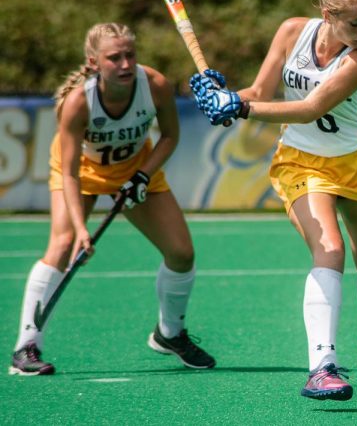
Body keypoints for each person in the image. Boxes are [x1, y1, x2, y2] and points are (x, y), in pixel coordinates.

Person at [189, 0, 357, 401]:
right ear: (327, 14)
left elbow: (309, 107)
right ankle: (322, 367)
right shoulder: (291, 33)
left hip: (356, 164)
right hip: (301, 162)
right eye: (355, 22)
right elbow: (260, 89)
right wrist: (222, 98)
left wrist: (239, 110)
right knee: (330, 249)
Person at [9, 23, 216, 376]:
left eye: (130, 55)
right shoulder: (78, 103)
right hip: (82, 175)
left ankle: (169, 334)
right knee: (61, 246)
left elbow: (169, 137)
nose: (124, 64)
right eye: (114, 57)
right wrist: (80, 231)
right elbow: (70, 173)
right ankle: (26, 348)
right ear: (94, 63)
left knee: (182, 254)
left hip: (136, 170)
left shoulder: (155, 86)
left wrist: (143, 175)